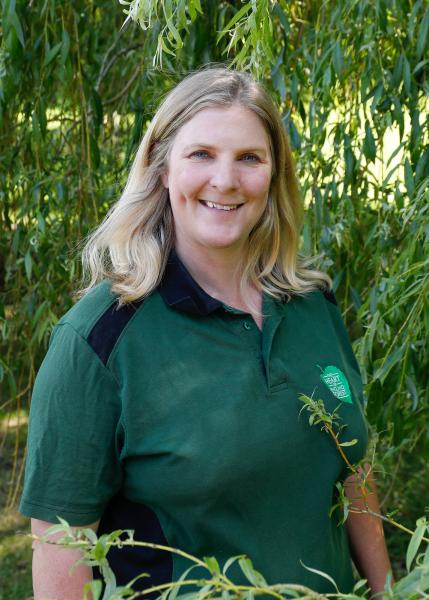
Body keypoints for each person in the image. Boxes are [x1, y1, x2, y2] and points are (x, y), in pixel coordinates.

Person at [20, 67, 392, 599]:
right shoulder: (96, 341)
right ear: (163, 168)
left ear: (275, 174)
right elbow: (62, 546)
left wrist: (390, 591)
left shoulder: (313, 306)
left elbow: (354, 470)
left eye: (249, 158)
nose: (225, 180)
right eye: (201, 155)